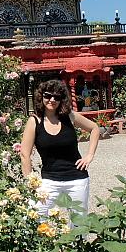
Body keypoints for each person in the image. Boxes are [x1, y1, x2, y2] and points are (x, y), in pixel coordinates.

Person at [19, 79, 99, 215]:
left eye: (57, 97)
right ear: (41, 96)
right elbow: (24, 155)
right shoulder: (34, 122)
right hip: (49, 181)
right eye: (48, 96)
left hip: (77, 179)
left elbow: (94, 128)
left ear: (62, 99)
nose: (52, 100)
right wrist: (31, 183)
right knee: (36, 216)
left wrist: (89, 156)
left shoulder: (69, 117)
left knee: (79, 224)